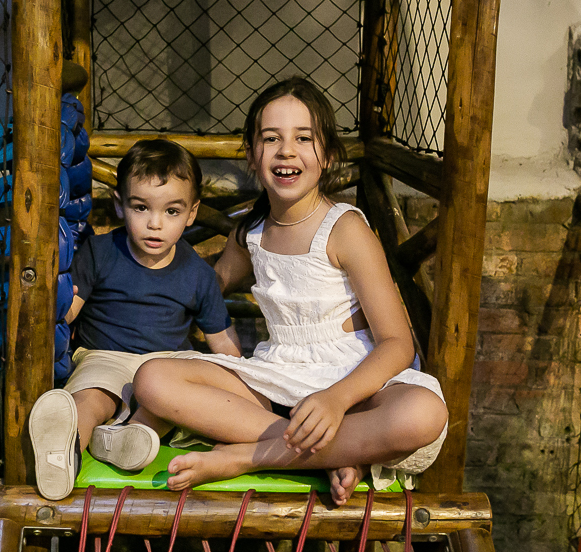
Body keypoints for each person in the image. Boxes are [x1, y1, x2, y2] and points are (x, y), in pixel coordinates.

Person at [131, 77, 449, 506]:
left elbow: (396, 343)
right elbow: (206, 286)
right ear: (251, 153)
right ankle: (330, 453)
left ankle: (253, 457)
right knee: (153, 379)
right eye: (271, 138)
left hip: (352, 383)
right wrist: (129, 283)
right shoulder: (251, 235)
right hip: (278, 376)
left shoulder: (345, 228)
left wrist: (336, 401)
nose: (286, 150)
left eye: (303, 138)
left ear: (328, 155)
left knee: (422, 413)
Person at [28, 139, 242, 500]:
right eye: (141, 207)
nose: (155, 224)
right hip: (105, 356)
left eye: (172, 212)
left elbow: (223, 343)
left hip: (169, 366)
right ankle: (63, 452)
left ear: (191, 213)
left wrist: (246, 385)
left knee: (175, 398)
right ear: (119, 205)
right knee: (92, 398)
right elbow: (69, 311)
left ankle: (130, 437)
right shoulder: (100, 252)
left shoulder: (198, 274)